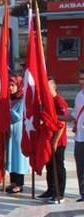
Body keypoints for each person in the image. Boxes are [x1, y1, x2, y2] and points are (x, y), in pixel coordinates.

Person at [39, 77, 68, 203]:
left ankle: (59, 193)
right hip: (49, 139)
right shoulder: (48, 102)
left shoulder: (59, 102)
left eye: (48, 87)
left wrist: (55, 140)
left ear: (54, 87)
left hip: (59, 141)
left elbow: (62, 122)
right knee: (50, 166)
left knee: (58, 166)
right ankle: (51, 190)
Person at [57, 69, 84, 202]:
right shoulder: (79, 95)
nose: (81, 82)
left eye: (83, 79)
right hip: (80, 136)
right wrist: (56, 117)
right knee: (80, 165)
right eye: (80, 79)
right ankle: (83, 194)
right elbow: (73, 115)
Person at [5, 75, 29, 194]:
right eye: (9, 85)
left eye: (13, 85)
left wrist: (7, 110)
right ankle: (12, 182)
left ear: (19, 86)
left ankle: (19, 184)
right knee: (10, 156)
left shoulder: (23, 100)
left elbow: (18, 117)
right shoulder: (9, 99)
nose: (10, 87)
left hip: (19, 132)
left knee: (19, 157)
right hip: (10, 133)